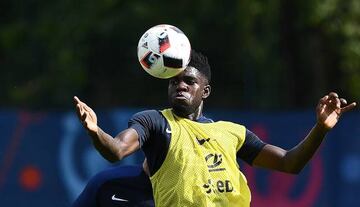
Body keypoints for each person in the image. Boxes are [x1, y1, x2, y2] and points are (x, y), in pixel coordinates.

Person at [73, 49, 356, 206]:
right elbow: (117, 150)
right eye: (174, 81)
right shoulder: (155, 121)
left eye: (189, 81)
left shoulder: (232, 132)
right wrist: (95, 131)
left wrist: (320, 128)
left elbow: (290, 163)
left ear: (205, 91)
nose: (180, 85)